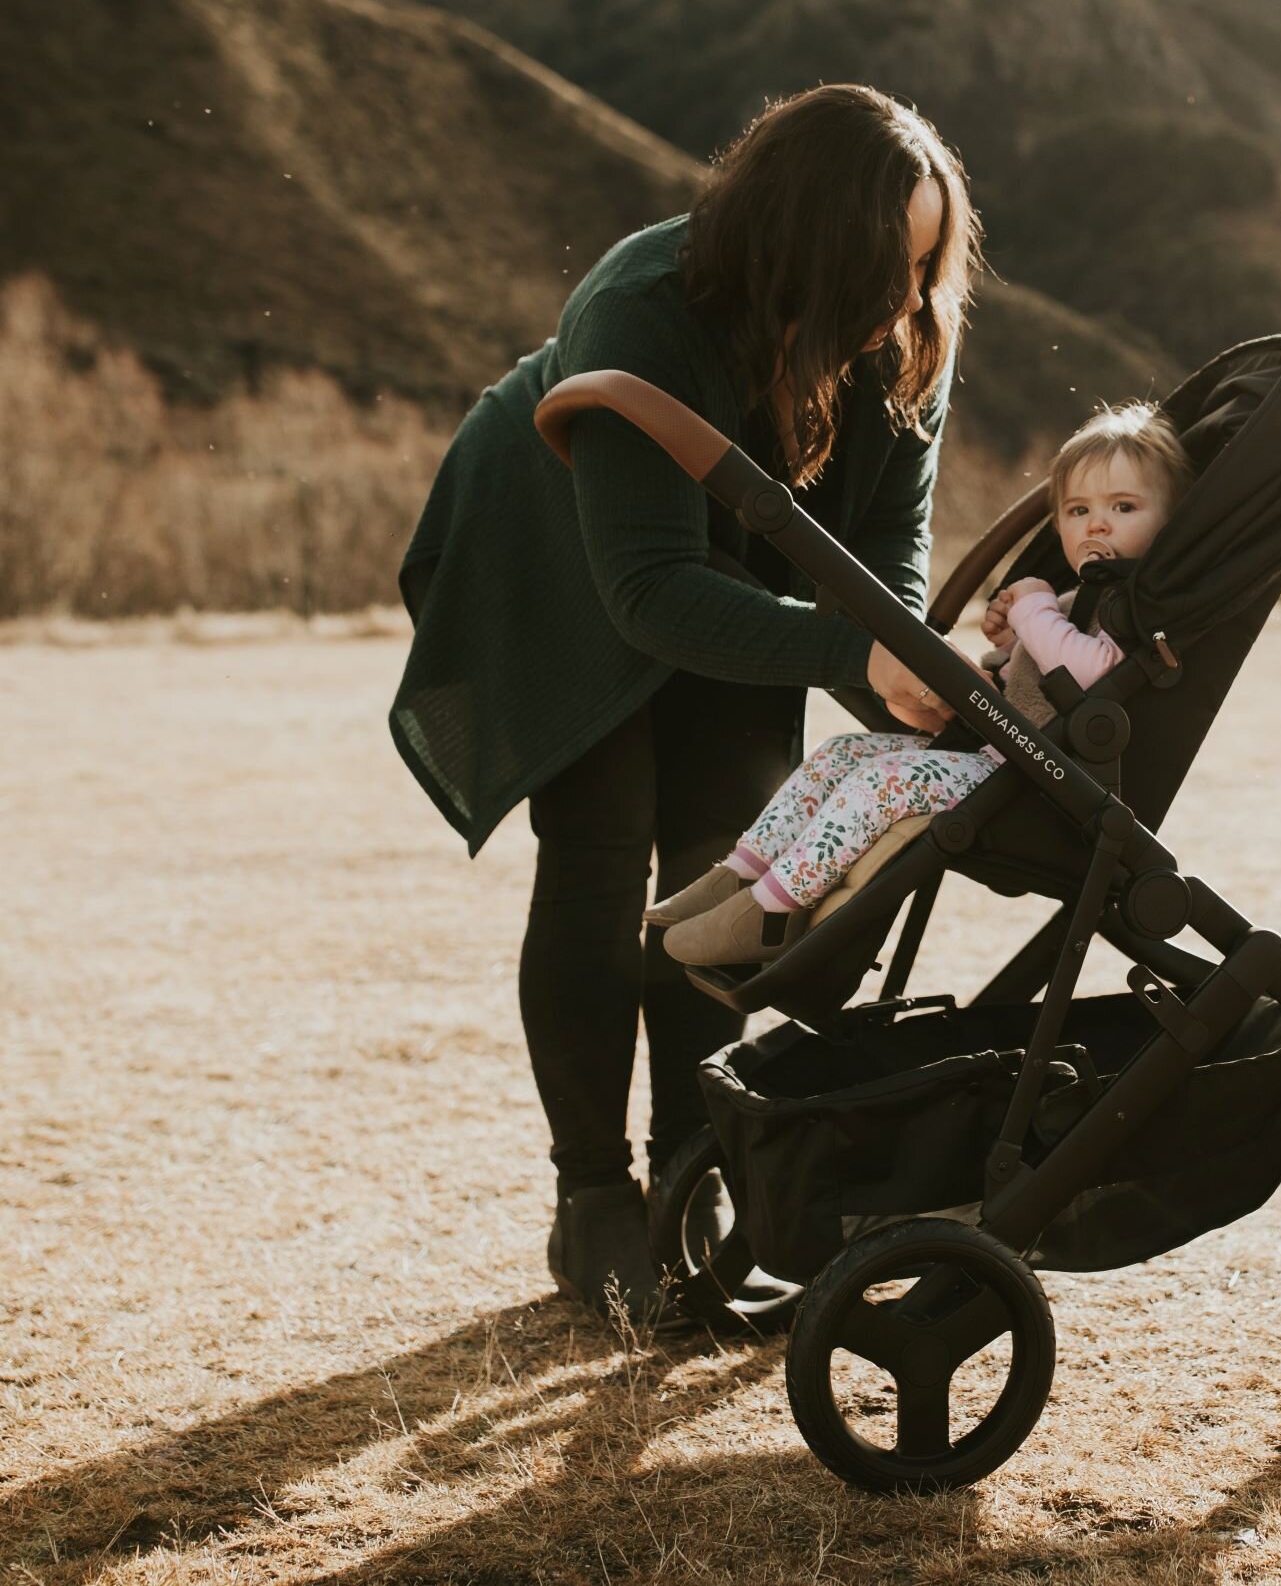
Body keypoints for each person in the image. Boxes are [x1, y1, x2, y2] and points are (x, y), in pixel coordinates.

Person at [388, 84, 981, 1318]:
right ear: (803, 236)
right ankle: (593, 1200)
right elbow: (651, 590)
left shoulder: (901, 334)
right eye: (881, 267)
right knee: (604, 862)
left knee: (724, 867)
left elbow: (888, 548)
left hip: (750, 578)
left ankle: (690, 1176)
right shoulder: (645, 305)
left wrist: (892, 654)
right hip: (563, 560)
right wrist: (850, 652)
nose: (900, 303)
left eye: (923, 270)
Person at [652, 401, 1195, 967]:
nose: (1097, 524)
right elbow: (1031, 678)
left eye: (1124, 507)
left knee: (885, 780)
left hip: (1042, 786)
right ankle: (740, 875)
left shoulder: (1133, 606)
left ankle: (768, 912)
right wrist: (1009, 645)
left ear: (1171, 521)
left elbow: (1089, 673)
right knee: (842, 753)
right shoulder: (1076, 597)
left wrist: (1033, 608)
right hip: (1002, 759)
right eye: (1078, 509)